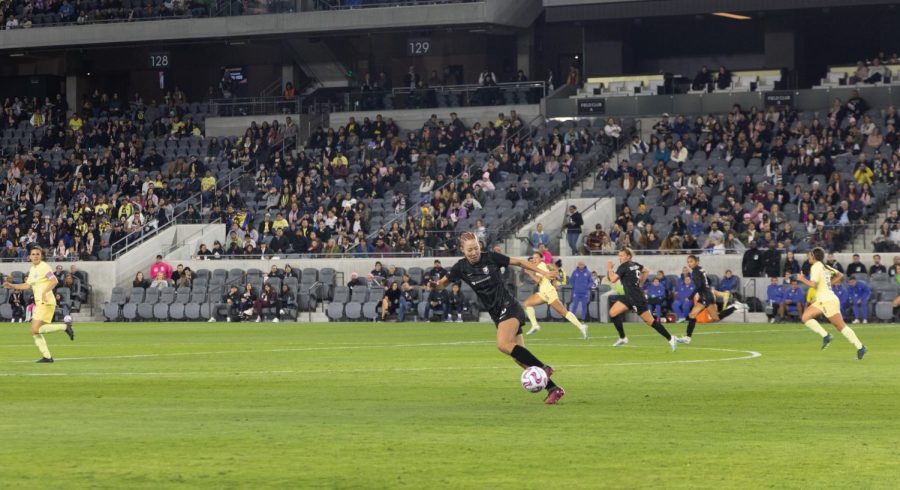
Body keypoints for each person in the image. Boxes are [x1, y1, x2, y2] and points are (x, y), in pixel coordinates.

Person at [431, 232, 566, 404]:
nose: (473, 252)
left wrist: (543, 273)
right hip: (497, 314)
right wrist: (435, 286)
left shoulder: (491, 258)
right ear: (462, 250)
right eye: (469, 250)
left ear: (480, 246)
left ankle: (543, 368)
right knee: (519, 358)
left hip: (509, 307)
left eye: (476, 248)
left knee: (502, 344)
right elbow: (442, 284)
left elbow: (519, 262)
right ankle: (554, 389)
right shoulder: (461, 267)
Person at [3, 246, 75, 363]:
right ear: (29, 256)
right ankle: (47, 357)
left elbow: (54, 281)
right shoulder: (33, 269)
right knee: (35, 331)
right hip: (40, 303)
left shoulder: (44, 266)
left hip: (46, 302)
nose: (35, 256)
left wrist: (45, 292)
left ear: (41, 256)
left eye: (38, 254)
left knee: (35, 329)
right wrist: (12, 286)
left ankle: (65, 327)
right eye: (33, 254)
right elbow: (27, 285)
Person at [796, 247, 867, 360]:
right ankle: (826, 336)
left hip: (828, 300)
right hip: (822, 300)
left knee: (840, 326)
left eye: (809, 255)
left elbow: (813, 285)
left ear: (814, 256)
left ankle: (860, 347)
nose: (808, 257)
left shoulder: (815, 267)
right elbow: (840, 275)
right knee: (805, 317)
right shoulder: (825, 266)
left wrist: (802, 279)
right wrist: (830, 283)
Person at [606, 247, 678, 350]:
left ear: (628, 256)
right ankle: (623, 338)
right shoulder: (635, 265)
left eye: (622, 255)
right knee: (613, 312)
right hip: (629, 296)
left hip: (636, 298)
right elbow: (646, 270)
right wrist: (640, 283)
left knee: (650, 321)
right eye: (619, 255)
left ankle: (671, 338)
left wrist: (609, 268)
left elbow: (613, 279)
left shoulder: (623, 266)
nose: (619, 258)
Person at [522, 252, 589, 339]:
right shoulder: (543, 265)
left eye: (536, 257)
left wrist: (530, 273)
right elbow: (552, 275)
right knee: (526, 303)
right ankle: (535, 325)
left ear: (541, 258)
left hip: (549, 292)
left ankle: (582, 327)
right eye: (533, 258)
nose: (534, 259)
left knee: (563, 312)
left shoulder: (540, 266)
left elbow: (538, 280)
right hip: (543, 293)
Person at [678, 255, 716, 344]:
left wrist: (690, 297)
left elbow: (699, 286)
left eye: (691, 261)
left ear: (696, 262)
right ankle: (687, 338)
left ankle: (734, 307)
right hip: (706, 295)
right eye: (688, 262)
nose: (689, 264)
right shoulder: (701, 269)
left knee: (714, 317)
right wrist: (707, 289)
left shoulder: (695, 272)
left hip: (705, 296)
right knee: (692, 315)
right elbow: (708, 281)